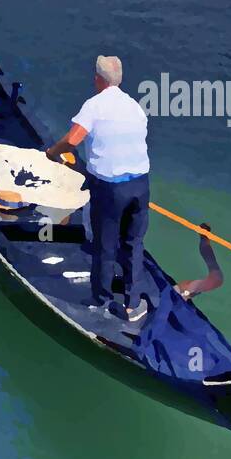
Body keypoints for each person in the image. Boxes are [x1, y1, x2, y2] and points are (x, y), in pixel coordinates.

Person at [45, 55, 150, 322]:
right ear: (120, 79)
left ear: (97, 80)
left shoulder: (95, 106)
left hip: (110, 189)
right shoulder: (135, 107)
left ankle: (101, 300)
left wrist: (52, 152)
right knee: (133, 243)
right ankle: (133, 304)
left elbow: (74, 139)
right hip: (140, 184)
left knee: (105, 244)